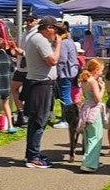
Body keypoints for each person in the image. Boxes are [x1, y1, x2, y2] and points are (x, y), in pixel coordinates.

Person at [23, 15, 62, 169]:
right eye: (55, 28)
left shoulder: (36, 38)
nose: (57, 32)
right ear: (48, 28)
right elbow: (52, 60)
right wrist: (58, 44)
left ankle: (32, 153)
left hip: (39, 83)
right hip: (41, 84)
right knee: (39, 121)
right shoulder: (39, 39)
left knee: (36, 121)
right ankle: (33, 157)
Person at [10, 14, 39, 128]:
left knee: (29, 93)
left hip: (31, 67)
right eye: (27, 20)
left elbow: (36, 52)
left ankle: (28, 115)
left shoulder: (37, 34)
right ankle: (21, 112)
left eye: (30, 20)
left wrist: (22, 53)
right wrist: (16, 52)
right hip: (21, 66)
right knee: (13, 87)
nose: (28, 22)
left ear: (36, 21)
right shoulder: (25, 32)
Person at [78, 58, 106, 173]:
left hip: (86, 109)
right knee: (96, 137)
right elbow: (97, 98)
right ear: (96, 70)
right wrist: (103, 87)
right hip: (94, 110)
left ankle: (89, 160)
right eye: (101, 70)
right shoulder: (92, 81)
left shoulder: (85, 80)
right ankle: (89, 163)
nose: (102, 73)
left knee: (89, 137)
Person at [52, 24, 79, 129]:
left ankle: (67, 120)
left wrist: (57, 73)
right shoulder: (70, 41)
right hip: (71, 71)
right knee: (66, 95)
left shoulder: (62, 43)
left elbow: (62, 60)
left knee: (65, 96)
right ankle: (68, 118)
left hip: (65, 73)